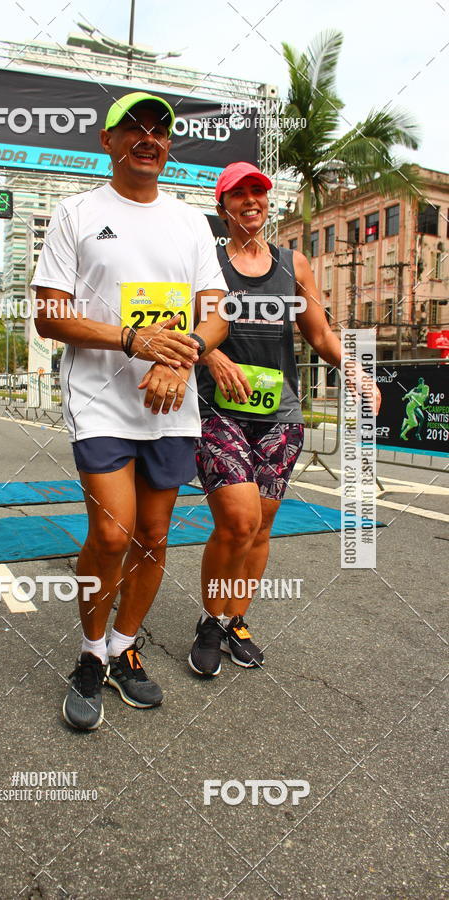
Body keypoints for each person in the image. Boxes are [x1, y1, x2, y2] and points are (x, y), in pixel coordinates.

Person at [32, 91, 228, 729]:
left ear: (169, 145)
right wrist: (131, 340)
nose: (150, 137)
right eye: (134, 128)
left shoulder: (192, 220)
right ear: (108, 141)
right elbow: (49, 313)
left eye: (161, 130)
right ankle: (90, 651)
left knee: (152, 536)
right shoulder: (77, 213)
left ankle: (124, 646)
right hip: (101, 398)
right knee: (112, 534)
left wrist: (184, 354)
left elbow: (215, 311)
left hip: (172, 400)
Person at [189, 161, 381, 676]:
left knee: (262, 526)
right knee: (236, 521)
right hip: (218, 409)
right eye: (240, 194)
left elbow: (319, 335)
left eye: (259, 192)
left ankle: (236, 620)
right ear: (223, 206)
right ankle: (211, 619)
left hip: (280, 413)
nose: (252, 200)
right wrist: (209, 356)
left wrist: (358, 373)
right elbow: (190, 328)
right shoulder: (206, 263)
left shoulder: (292, 264)